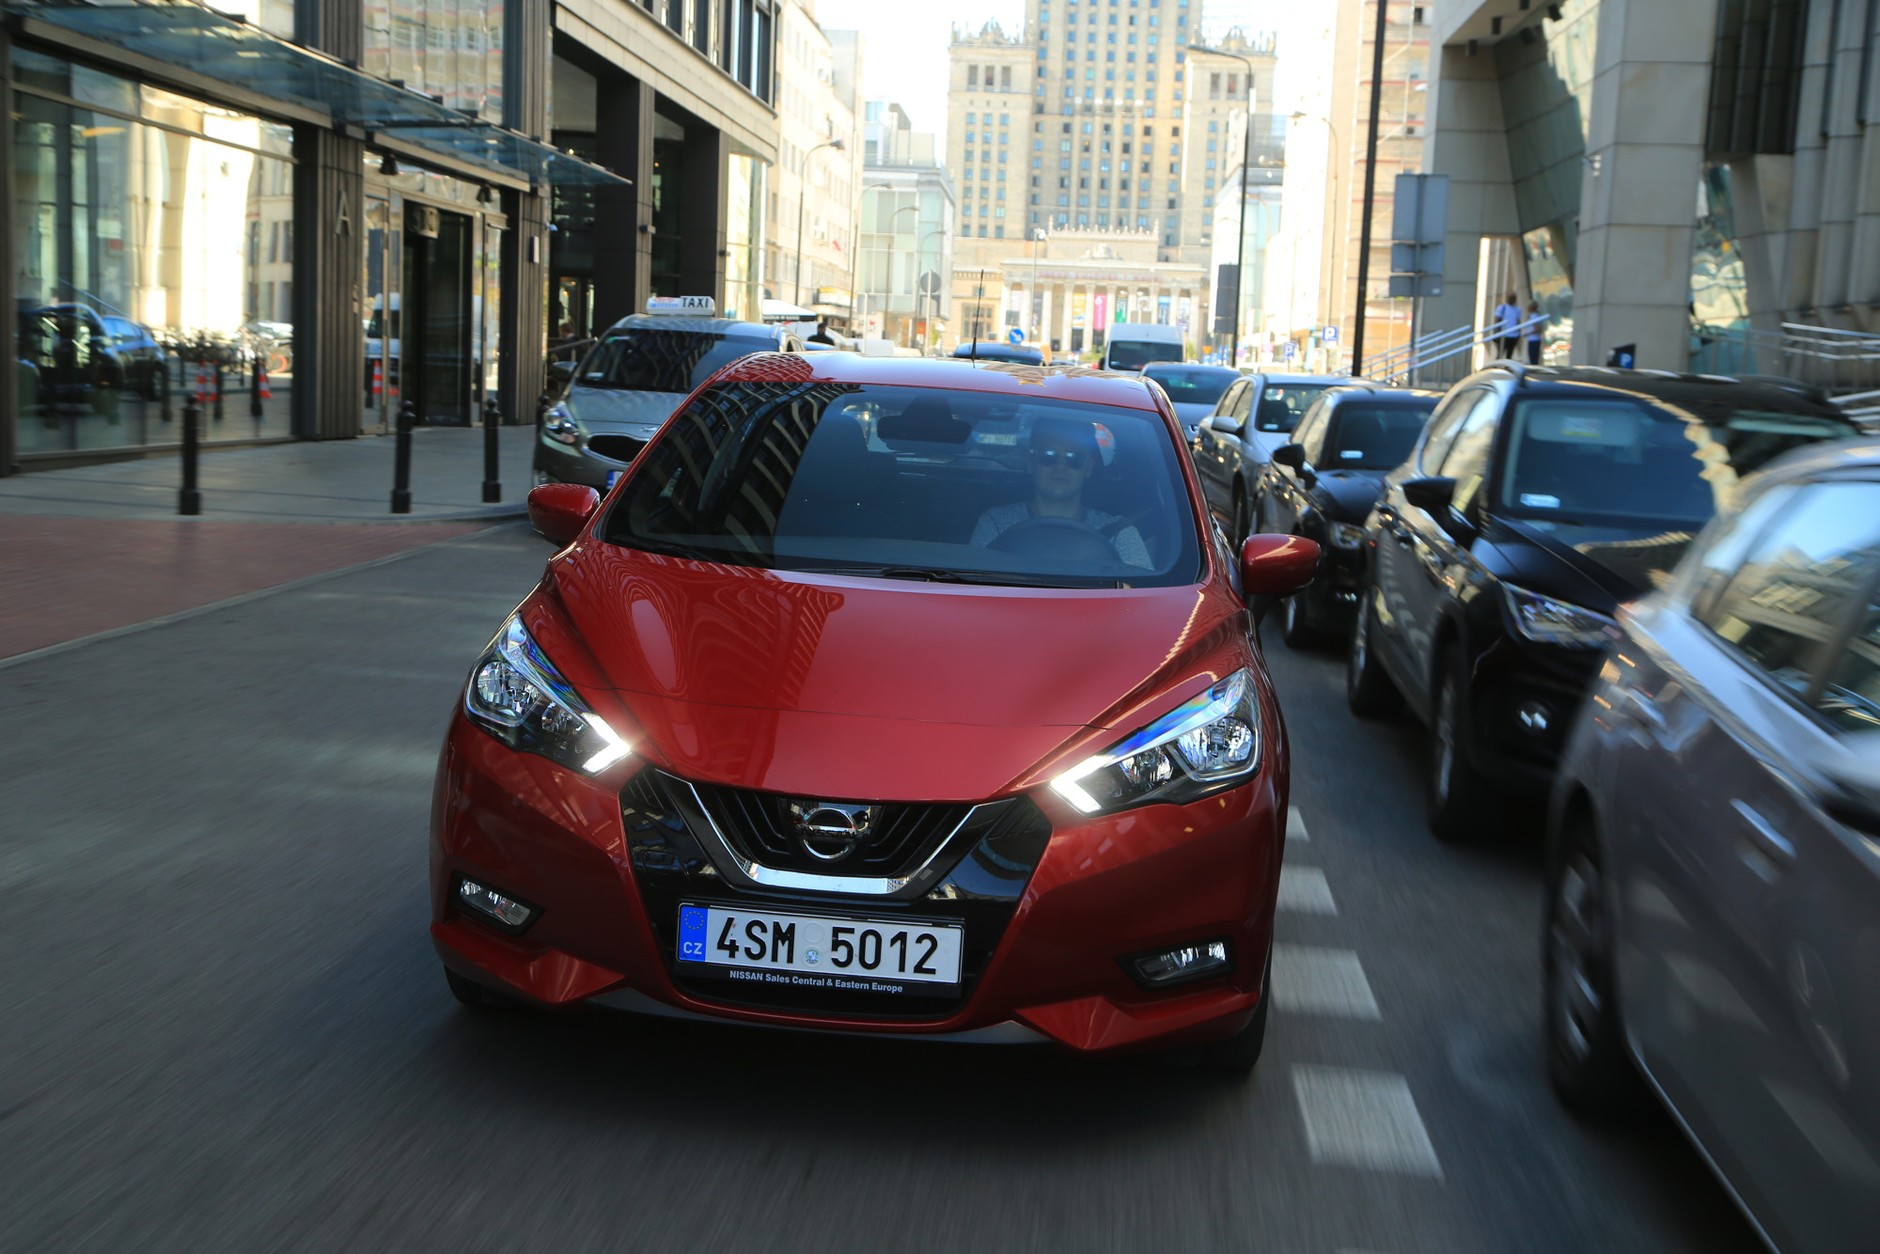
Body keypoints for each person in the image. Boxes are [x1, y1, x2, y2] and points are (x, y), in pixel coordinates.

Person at [971, 417, 1151, 568]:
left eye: (1074, 459)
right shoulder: (996, 523)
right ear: (1030, 462)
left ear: (1088, 467)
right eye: (1048, 456)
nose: (1060, 466)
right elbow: (976, 583)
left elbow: (1143, 595)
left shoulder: (1120, 533)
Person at [1492, 292, 1522, 359]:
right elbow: (1497, 320)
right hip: (1504, 334)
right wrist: (1496, 332)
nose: (1511, 299)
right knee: (1500, 353)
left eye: (1513, 298)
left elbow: (1518, 321)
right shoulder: (1502, 308)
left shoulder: (1517, 309)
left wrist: (1519, 333)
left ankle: (1506, 367)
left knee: (1510, 353)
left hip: (1514, 335)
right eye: (1510, 298)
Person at [1524, 301, 1546, 365]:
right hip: (1536, 339)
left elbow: (1537, 328)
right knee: (1535, 357)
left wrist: (1527, 333)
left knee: (1533, 358)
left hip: (1533, 339)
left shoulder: (1533, 316)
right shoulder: (1538, 316)